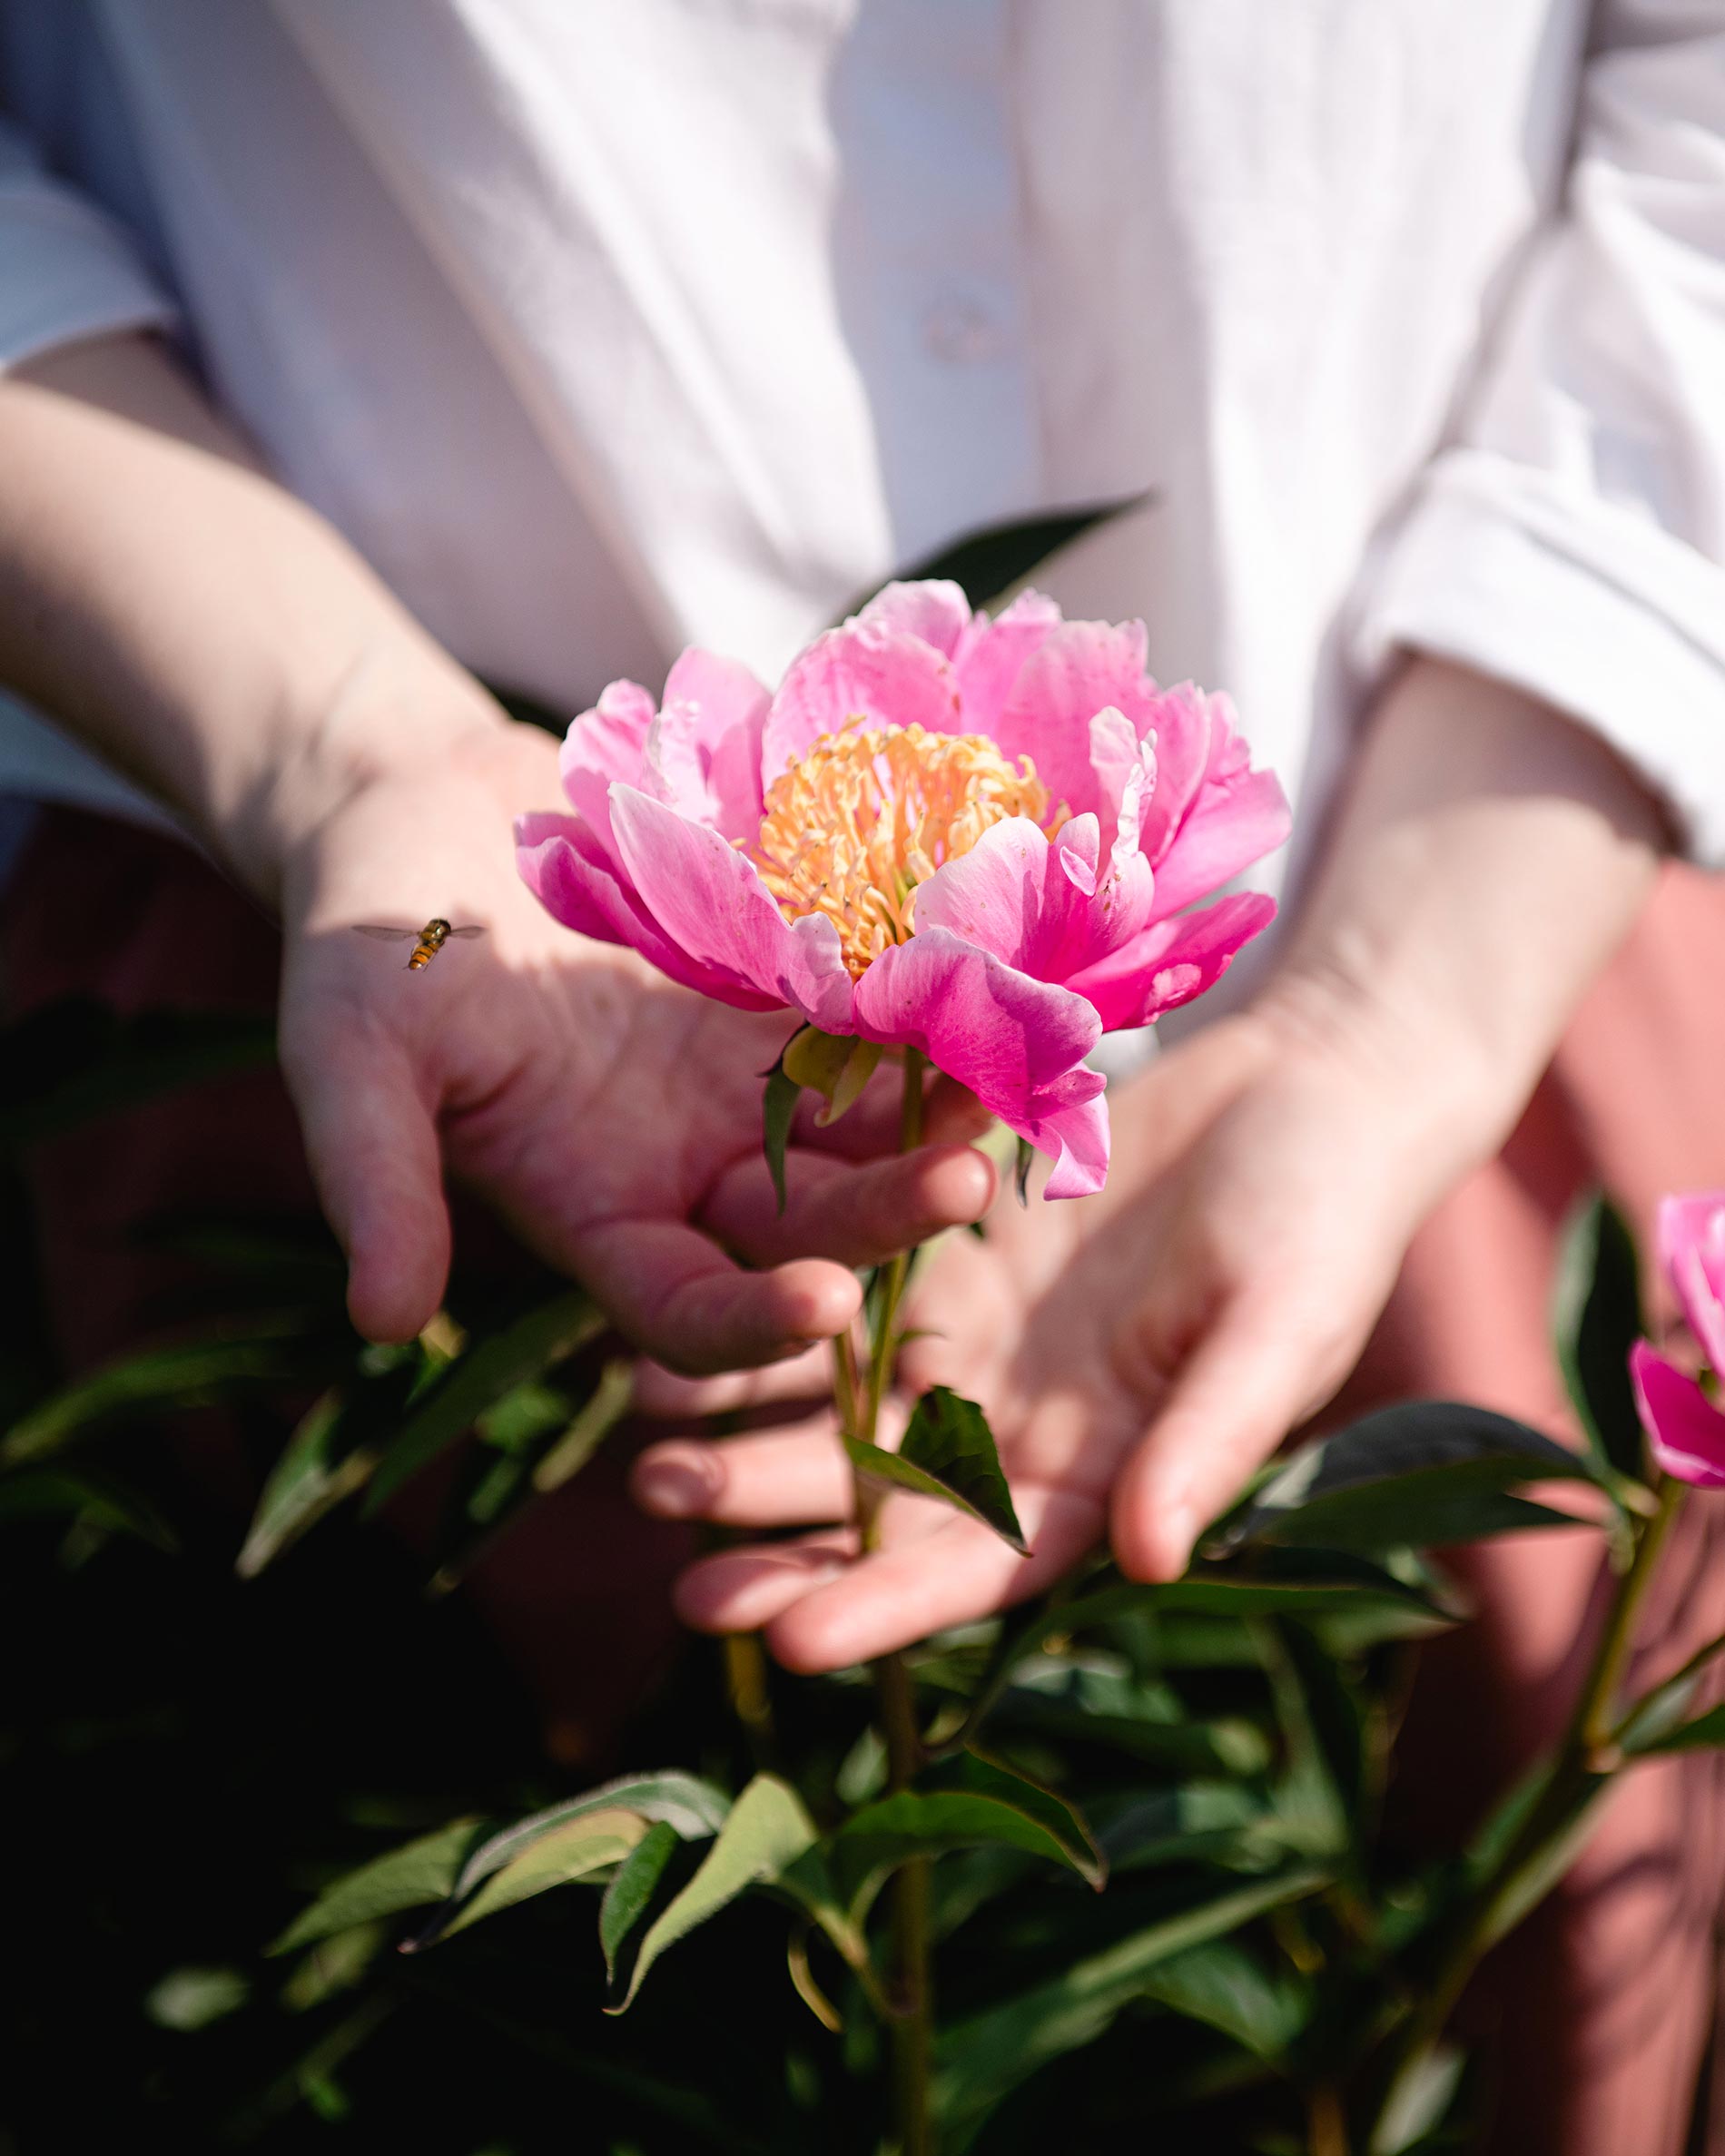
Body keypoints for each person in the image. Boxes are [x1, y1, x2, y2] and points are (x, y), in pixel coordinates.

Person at [2, 6, 1722, 2151]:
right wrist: (343, 744)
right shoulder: (471, 904)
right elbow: (455, 900)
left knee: (1466, 1946)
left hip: (1502, 895)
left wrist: (1397, 1012)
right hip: (410, 986)